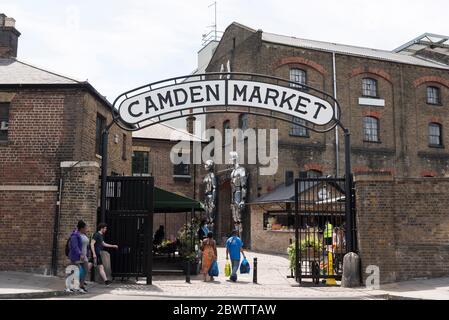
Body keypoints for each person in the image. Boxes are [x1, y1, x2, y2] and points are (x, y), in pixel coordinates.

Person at [68, 220, 90, 293]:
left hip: (84, 256)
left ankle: (81, 286)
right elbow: (75, 246)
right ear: (81, 228)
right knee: (76, 271)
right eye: (85, 227)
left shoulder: (84, 235)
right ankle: (70, 286)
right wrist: (80, 253)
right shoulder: (75, 235)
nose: (87, 228)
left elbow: (86, 246)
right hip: (77, 256)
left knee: (85, 270)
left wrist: (87, 254)